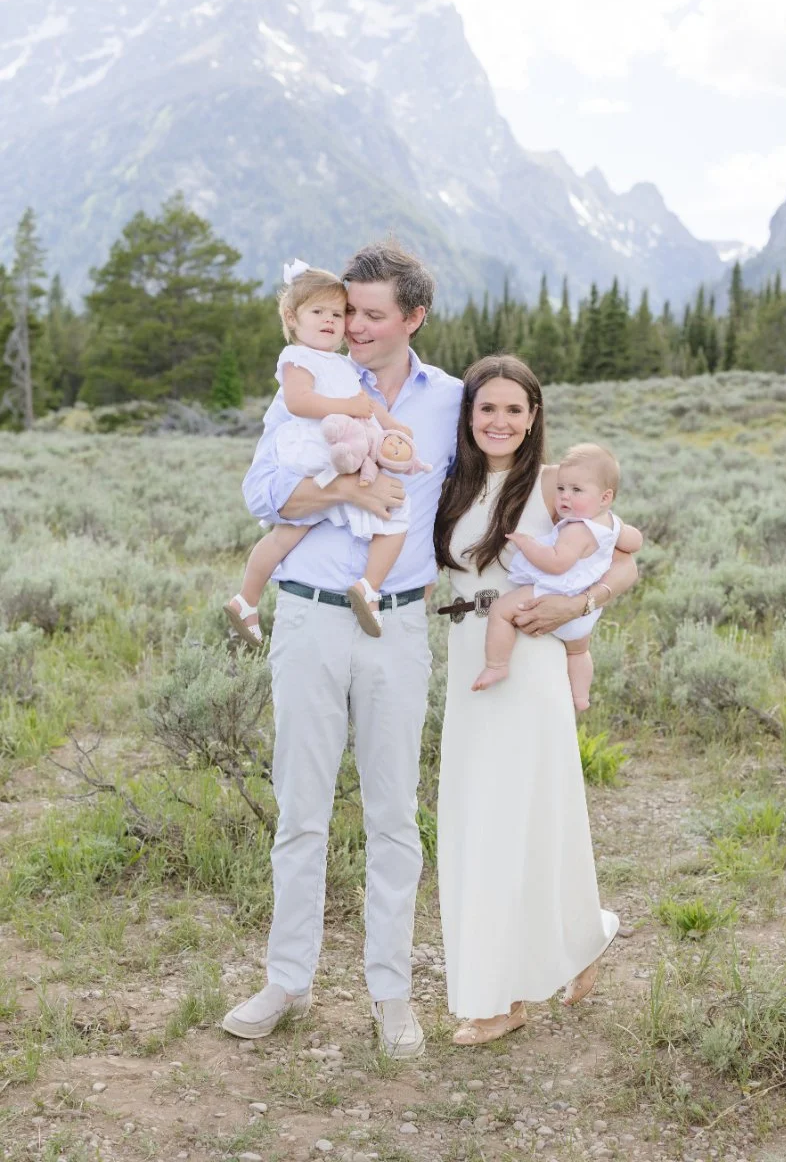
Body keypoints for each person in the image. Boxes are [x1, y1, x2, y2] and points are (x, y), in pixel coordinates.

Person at [221, 242, 462, 1058]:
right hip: (310, 618)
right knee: (302, 807)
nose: (352, 326)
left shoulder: (451, 402)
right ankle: (287, 981)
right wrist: (347, 491)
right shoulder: (310, 385)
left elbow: (498, 496)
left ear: (413, 318)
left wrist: (597, 571)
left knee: (394, 815)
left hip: (396, 624)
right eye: (346, 310)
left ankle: (391, 993)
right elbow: (263, 495)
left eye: (371, 314)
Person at [434, 355, 635, 1046]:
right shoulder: (450, 483)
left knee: (522, 816)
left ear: (534, 417)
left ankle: (501, 998)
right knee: (477, 816)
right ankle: (579, 941)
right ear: (468, 416)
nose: (499, 421)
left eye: (514, 410)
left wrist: (579, 601)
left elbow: (629, 554)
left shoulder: (554, 486)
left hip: (534, 657)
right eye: (486, 408)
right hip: (471, 655)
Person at [224, 261, 420, 645]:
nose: (331, 321)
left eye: (337, 313)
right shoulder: (297, 357)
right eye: (319, 312)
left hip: (332, 449)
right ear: (292, 318)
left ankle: (247, 599)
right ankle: (367, 586)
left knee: (290, 533)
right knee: (395, 515)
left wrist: (391, 425)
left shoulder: (341, 364)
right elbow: (300, 402)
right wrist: (349, 408)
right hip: (313, 450)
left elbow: (365, 403)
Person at [472, 442, 643, 708]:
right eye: (561, 488)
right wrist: (619, 529)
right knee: (579, 651)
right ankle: (581, 697)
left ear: (605, 497)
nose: (564, 496)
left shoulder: (575, 529)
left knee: (501, 611)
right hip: (584, 612)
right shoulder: (610, 523)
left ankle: (496, 665)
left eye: (576, 490)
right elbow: (634, 542)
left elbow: (556, 563)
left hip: (554, 594)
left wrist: (528, 544)